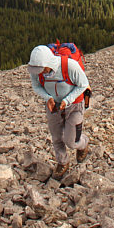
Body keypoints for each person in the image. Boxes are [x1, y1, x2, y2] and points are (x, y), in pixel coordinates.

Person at [28, 44, 90, 179]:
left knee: (71, 141)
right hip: (54, 106)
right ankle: (63, 162)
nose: (39, 73)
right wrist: (48, 98)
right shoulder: (37, 72)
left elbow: (83, 84)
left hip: (74, 106)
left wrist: (67, 100)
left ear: (48, 63)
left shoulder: (69, 66)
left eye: (42, 69)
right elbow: (36, 86)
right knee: (56, 138)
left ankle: (83, 144)